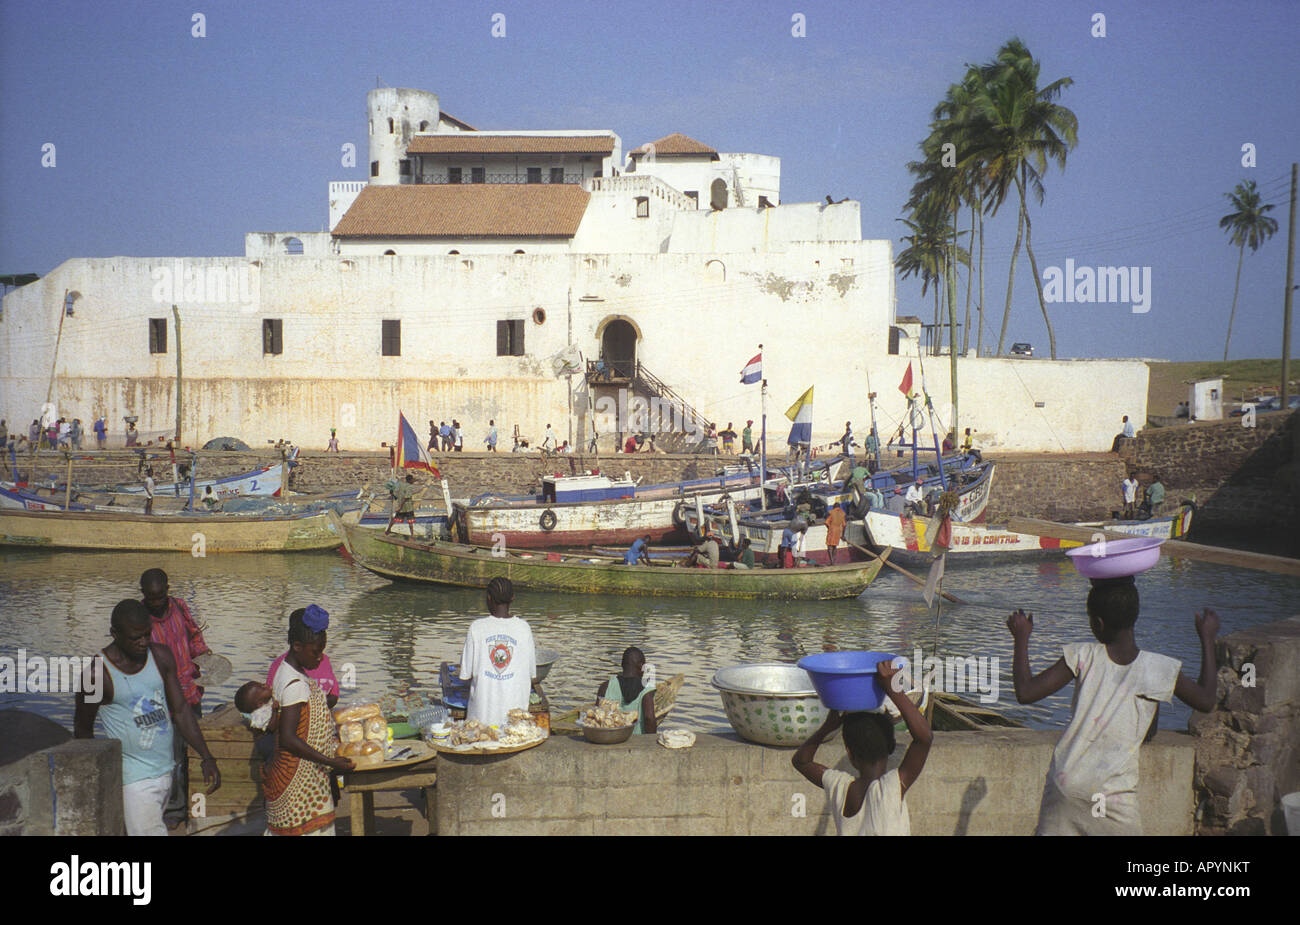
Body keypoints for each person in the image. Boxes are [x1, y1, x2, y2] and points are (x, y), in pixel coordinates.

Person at [1007, 579, 1219, 836]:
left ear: (1098, 624)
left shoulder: (1083, 655)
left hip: (1065, 784)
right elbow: (1206, 700)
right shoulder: (1157, 668)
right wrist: (1207, 638)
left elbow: (1026, 692)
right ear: (1135, 617)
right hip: (1113, 797)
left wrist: (1021, 638)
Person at [74, 600, 221, 835]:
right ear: (115, 634)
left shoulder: (160, 656)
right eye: (135, 638)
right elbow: (83, 732)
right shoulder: (96, 675)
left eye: (147, 634)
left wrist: (206, 756)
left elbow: (181, 710)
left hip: (166, 769)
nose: (143, 642)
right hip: (133, 779)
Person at [792, 658, 931, 836]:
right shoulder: (890, 788)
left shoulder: (841, 788)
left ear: (849, 753)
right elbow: (924, 738)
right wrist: (892, 689)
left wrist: (828, 726)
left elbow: (801, 762)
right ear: (891, 746)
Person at [265, 605, 353, 835]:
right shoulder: (294, 685)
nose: (320, 657)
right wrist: (331, 763)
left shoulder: (291, 673)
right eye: (316, 652)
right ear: (297, 647)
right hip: (298, 781)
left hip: (304, 777)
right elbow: (288, 738)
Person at [460, 577, 537, 728]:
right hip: (515, 725)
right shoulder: (524, 628)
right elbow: (532, 675)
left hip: (481, 724)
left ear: (488, 598)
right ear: (512, 598)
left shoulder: (476, 628)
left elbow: (464, 676)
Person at [267, 611, 341, 710]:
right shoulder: (282, 669)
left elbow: (334, 693)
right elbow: (271, 700)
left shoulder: (324, 660)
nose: (319, 657)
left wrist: (317, 708)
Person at [596, 647, 657, 734]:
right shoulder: (647, 688)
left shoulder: (605, 687)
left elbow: (597, 716)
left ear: (622, 665)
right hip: (637, 742)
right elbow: (649, 718)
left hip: (610, 740)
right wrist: (650, 742)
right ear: (641, 666)